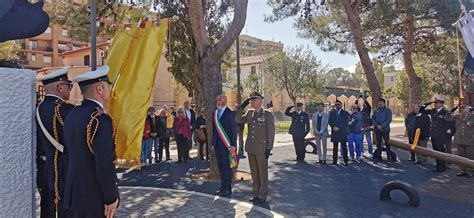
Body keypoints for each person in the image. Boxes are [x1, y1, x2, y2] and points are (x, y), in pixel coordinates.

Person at [63, 65, 119, 217]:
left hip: (75, 195)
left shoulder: (72, 115)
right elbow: (104, 164)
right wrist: (111, 197)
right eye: (107, 86)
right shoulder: (100, 119)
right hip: (95, 198)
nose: (109, 89)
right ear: (100, 89)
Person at [36, 67, 74, 217]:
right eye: (68, 86)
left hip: (46, 169)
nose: (70, 90)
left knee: (48, 209)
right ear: (59, 87)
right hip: (65, 170)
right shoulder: (63, 109)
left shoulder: (40, 107)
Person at [236, 92, 275, 204]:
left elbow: (271, 132)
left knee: (262, 173)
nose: (251, 101)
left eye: (254, 99)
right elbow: (238, 120)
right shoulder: (249, 113)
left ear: (260, 100)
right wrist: (241, 107)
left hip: (262, 148)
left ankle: (262, 195)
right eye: (251, 99)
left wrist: (269, 148)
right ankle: (255, 194)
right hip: (251, 147)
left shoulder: (267, 114)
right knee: (254, 173)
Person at [212, 95, 237, 196]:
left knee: (227, 167)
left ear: (225, 101)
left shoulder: (230, 113)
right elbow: (214, 130)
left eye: (219, 100)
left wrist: (234, 145)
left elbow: (233, 130)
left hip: (227, 145)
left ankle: (228, 188)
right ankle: (222, 187)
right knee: (221, 167)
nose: (217, 101)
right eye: (217, 99)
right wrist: (213, 143)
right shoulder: (215, 113)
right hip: (218, 145)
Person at [444, 104, 474, 178]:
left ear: (468, 108)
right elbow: (446, 118)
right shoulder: (457, 116)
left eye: (464, 108)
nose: (462, 109)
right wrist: (452, 110)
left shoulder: (472, 116)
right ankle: (463, 170)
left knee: (471, 156)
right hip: (459, 139)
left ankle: (472, 171)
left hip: (470, 140)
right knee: (461, 156)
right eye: (461, 108)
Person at [420, 97, 449, 172]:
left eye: (437, 103)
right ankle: (438, 166)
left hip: (440, 135)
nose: (435, 104)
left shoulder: (445, 112)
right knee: (436, 151)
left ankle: (442, 167)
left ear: (441, 104)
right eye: (435, 103)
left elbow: (448, 124)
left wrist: (447, 133)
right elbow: (421, 110)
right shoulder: (433, 111)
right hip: (433, 134)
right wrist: (427, 104)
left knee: (441, 151)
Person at [328, 100, 350, 166]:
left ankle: (345, 161)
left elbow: (346, 122)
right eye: (336, 105)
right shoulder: (332, 113)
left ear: (341, 105)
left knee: (344, 147)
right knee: (335, 147)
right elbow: (330, 121)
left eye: (338, 105)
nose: (337, 106)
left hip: (342, 132)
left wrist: (339, 127)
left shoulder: (345, 113)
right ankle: (334, 161)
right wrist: (333, 127)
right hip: (335, 132)